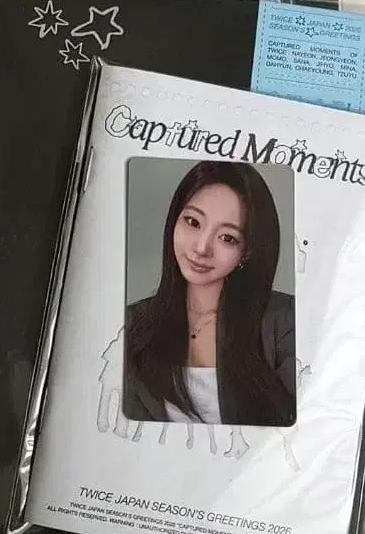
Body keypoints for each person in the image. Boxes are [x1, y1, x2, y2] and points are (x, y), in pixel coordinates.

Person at [124, 161, 296, 427]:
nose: (201, 248)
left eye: (227, 238)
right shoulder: (131, 324)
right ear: (174, 220)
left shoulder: (285, 321)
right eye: (193, 222)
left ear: (246, 252)